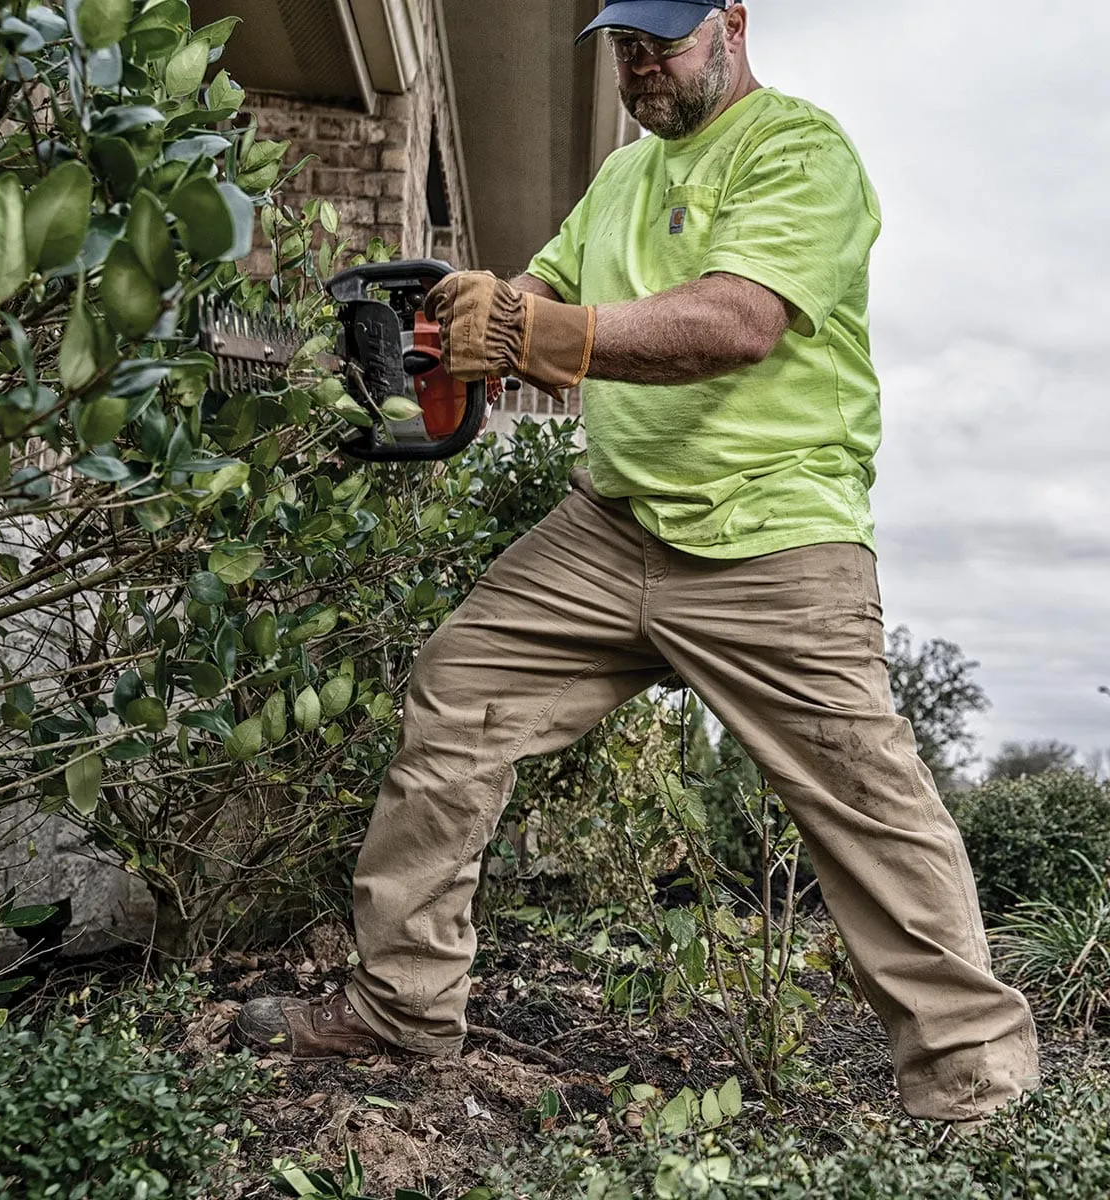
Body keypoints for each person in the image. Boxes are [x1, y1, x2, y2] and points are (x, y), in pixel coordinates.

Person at [234, 0, 1039, 1124]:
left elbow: (736, 322)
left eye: (665, 40)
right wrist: (475, 312)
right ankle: (401, 1008)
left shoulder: (797, 151)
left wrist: (540, 336)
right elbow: (547, 298)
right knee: (459, 692)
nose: (643, 65)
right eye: (624, 47)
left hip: (773, 537)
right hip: (610, 531)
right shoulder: (618, 183)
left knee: (866, 801)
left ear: (734, 25)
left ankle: (972, 1083)